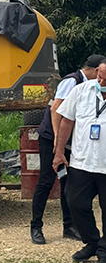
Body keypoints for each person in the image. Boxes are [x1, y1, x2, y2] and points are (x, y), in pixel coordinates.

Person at [30, 56, 103, 243]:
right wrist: (57, 140)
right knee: (46, 181)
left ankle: (69, 226)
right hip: (51, 137)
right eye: (101, 76)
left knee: (67, 184)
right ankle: (36, 226)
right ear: (95, 71)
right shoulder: (72, 81)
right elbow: (56, 110)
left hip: (69, 140)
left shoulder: (91, 86)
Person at [53, 62, 106, 263]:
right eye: (99, 77)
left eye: (104, 80)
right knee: (75, 201)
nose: (100, 82)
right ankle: (92, 241)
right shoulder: (81, 90)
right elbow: (66, 121)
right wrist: (58, 152)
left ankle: (104, 250)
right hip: (82, 161)